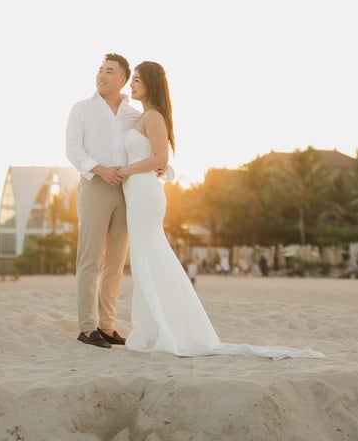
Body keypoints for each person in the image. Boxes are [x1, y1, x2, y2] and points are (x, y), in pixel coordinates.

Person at [115, 61, 324, 359]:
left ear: (150, 83)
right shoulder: (144, 116)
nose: (131, 85)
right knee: (145, 259)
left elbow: (160, 158)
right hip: (137, 193)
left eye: (136, 80)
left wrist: (127, 169)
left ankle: (162, 329)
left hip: (145, 194)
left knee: (151, 257)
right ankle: (152, 328)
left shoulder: (154, 117)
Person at [65, 53, 141, 349]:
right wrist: (100, 170)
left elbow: (143, 149)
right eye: (99, 70)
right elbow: (72, 149)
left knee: (116, 262)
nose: (101, 75)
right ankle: (87, 328)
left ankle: (107, 326)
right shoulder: (81, 109)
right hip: (95, 186)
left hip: (126, 191)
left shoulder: (134, 115)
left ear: (122, 79)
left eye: (109, 71)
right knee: (90, 259)